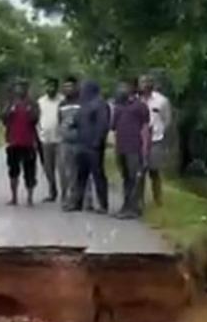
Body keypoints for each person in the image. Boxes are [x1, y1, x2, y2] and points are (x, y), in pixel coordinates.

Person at [68, 80, 110, 213]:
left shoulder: (100, 104)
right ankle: (77, 202)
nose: (81, 91)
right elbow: (76, 121)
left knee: (98, 175)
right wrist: (72, 124)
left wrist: (98, 141)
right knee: (81, 176)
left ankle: (103, 204)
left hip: (93, 146)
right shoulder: (84, 105)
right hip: (82, 144)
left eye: (84, 88)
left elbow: (103, 124)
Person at [111, 78, 150, 219]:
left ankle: (133, 208)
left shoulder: (140, 107)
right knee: (126, 178)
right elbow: (114, 128)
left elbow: (145, 130)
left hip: (134, 148)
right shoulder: (119, 107)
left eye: (125, 86)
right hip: (121, 148)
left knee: (134, 178)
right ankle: (126, 206)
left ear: (132, 88)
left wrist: (145, 151)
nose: (121, 89)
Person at [3, 79, 40, 206]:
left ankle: (30, 198)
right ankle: (14, 197)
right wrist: (9, 111)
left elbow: (35, 119)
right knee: (13, 170)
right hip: (13, 142)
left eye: (22, 88)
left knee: (30, 171)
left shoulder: (32, 103)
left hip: (28, 142)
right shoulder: (10, 103)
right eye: (17, 88)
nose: (19, 90)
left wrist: (30, 111)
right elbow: (4, 119)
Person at [139, 73, 174, 207]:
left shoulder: (162, 100)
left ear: (151, 84)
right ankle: (139, 200)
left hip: (155, 140)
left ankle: (158, 200)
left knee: (154, 171)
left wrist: (160, 131)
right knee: (140, 171)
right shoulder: (136, 100)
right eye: (142, 82)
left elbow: (167, 120)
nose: (144, 85)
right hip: (139, 141)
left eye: (147, 82)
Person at [56, 76, 81, 211]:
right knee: (66, 172)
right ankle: (67, 198)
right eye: (65, 87)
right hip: (65, 142)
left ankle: (78, 200)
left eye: (70, 86)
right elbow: (60, 122)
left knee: (77, 172)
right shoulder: (62, 105)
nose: (67, 89)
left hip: (78, 142)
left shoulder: (81, 103)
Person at [36, 77, 62, 202]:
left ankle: (66, 194)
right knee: (48, 168)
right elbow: (37, 119)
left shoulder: (62, 100)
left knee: (63, 168)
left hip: (60, 139)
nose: (50, 88)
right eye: (48, 86)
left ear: (57, 87)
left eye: (53, 86)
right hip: (45, 139)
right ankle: (52, 192)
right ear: (45, 87)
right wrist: (39, 132)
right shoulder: (41, 101)